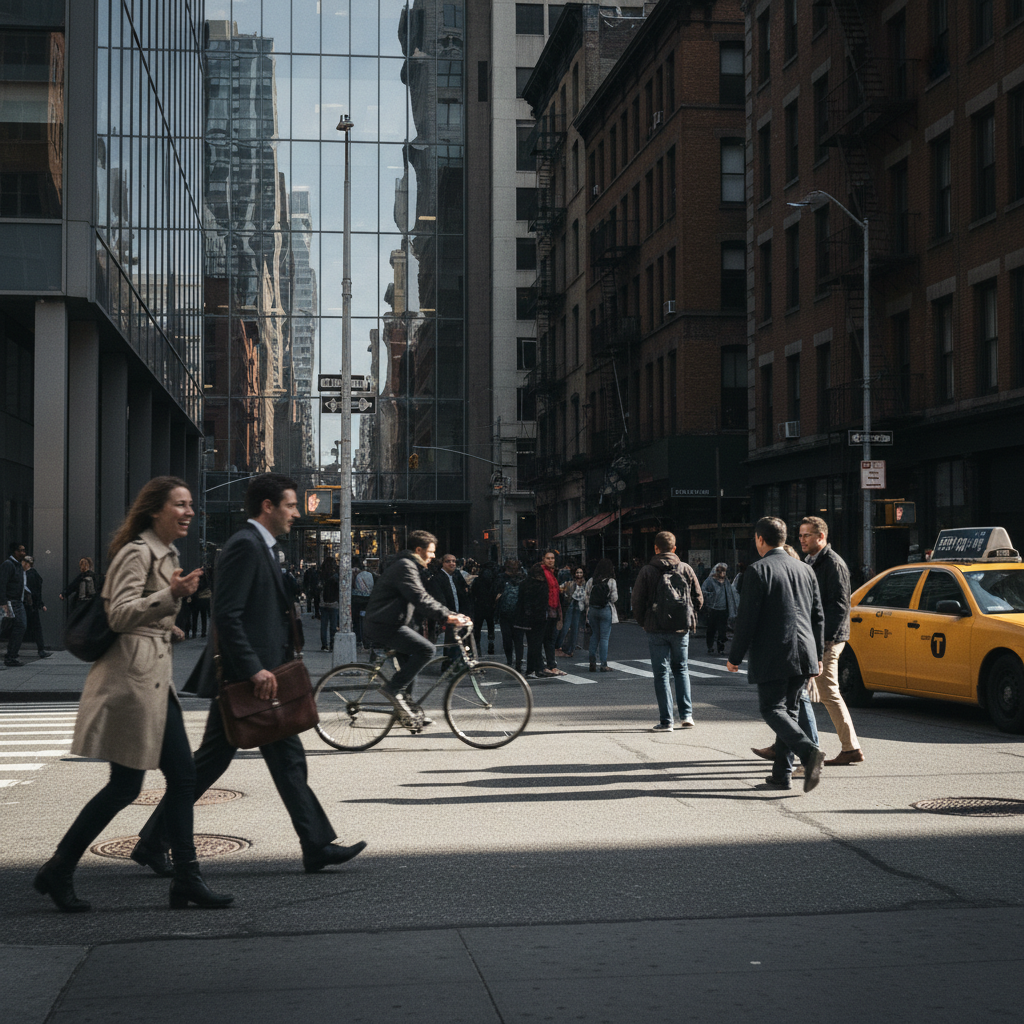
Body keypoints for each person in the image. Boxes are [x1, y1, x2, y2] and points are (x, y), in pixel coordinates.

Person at [132, 474, 366, 876]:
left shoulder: (261, 546)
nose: (296, 512)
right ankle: (153, 841)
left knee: (287, 761)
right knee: (209, 764)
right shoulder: (245, 546)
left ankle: (315, 844)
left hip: (266, 678)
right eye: (291, 505)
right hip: (248, 680)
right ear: (268, 507)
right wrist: (253, 667)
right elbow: (227, 615)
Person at [34, 476, 231, 912]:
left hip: (152, 683)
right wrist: (170, 595)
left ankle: (66, 867)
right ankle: (182, 877)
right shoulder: (135, 552)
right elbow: (119, 614)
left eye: (191, 505)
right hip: (133, 685)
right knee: (161, 782)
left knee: (146, 784)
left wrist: (170, 625)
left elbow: (143, 616)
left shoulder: (167, 553)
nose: (189, 512)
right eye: (180, 504)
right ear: (155, 510)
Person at [726, 516, 826, 794]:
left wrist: (735, 656)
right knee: (789, 713)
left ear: (760, 539)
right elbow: (818, 616)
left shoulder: (757, 571)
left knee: (771, 709)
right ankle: (781, 775)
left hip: (774, 652)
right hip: (804, 650)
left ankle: (809, 753)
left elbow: (747, 619)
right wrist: (817, 655)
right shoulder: (805, 569)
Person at [362, 531, 471, 722]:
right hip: (385, 625)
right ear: (418, 550)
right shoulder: (405, 566)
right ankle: (392, 689)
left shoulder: (410, 566)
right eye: (430, 551)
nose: (433, 556)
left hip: (393, 623)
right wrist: (448, 616)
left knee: (410, 669)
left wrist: (450, 615)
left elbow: (422, 598)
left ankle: (407, 712)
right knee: (427, 650)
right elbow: (420, 597)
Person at [799, 516, 862, 765]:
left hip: (827, 639)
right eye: (801, 534)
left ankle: (850, 747)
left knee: (827, 691)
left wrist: (825, 643)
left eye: (807, 535)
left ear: (820, 537)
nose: (802, 539)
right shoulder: (812, 562)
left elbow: (838, 607)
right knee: (796, 691)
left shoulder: (832, 564)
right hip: (814, 637)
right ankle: (785, 742)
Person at [631, 532, 703, 731]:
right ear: (674, 548)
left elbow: (636, 601)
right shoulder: (686, 568)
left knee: (661, 674)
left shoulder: (647, 571)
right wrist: (688, 616)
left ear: (655, 548)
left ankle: (666, 721)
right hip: (681, 629)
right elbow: (699, 598)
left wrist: (644, 622)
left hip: (656, 628)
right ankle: (687, 715)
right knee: (681, 669)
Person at [428, 553, 469, 663]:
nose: (452, 563)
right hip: (447, 615)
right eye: (448, 561)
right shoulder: (437, 578)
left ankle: (456, 664)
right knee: (449, 642)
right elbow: (439, 598)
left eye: (454, 561)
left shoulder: (456, 576)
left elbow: (464, 593)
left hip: (458, 614)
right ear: (443, 563)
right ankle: (449, 665)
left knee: (458, 640)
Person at [515, 562, 554, 678]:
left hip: (526, 618)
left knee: (531, 643)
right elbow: (544, 601)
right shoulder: (542, 584)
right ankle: (538, 668)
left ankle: (530, 668)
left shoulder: (524, 584)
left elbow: (521, 600)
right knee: (536, 644)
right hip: (539, 617)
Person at [585, 558, 618, 672]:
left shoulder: (591, 580)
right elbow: (614, 598)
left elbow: (586, 597)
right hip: (605, 609)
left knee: (594, 635)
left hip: (593, 610)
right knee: (604, 638)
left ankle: (592, 662)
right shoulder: (611, 581)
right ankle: (603, 664)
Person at [494, 558, 526, 670]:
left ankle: (509, 659)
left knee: (507, 638)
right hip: (519, 613)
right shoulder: (523, 578)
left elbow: (495, 593)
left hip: (505, 613)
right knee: (519, 639)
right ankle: (518, 662)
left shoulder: (501, 578)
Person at [701, 562, 738, 655]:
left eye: (724, 572)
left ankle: (720, 648)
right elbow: (703, 591)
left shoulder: (726, 582)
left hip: (724, 610)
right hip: (713, 609)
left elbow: (730, 594)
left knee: (722, 630)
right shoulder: (710, 581)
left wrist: (732, 608)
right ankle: (710, 646)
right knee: (711, 629)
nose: (723, 574)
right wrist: (711, 595)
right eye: (721, 572)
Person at [1, 541, 28, 667]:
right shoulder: (8, 564)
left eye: (24, 550)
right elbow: (2, 583)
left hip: (18, 601)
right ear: (15, 552)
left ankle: (11, 656)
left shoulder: (18, 565)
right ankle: (11, 656)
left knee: (19, 627)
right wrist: (3, 603)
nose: (24, 553)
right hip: (11, 602)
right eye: (21, 550)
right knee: (16, 627)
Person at [539, 550, 565, 675]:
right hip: (546, 610)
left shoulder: (552, 573)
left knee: (549, 639)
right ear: (543, 559)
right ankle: (544, 665)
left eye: (552, 558)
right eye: (548, 558)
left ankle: (551, 665)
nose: (551, 560)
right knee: (543, 638)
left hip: (553, 610)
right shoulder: (542, 573)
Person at [21, 555, 52, 658]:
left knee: (32, 626)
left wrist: (39, 603)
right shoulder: (26, 573)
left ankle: (41, 650)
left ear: (26, 563)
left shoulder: (31, 575)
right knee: (32, 627)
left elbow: (36, 592)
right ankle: (41, 650)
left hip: (29, 604)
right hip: (28, 604)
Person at [557, 567, 587, 658]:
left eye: (580, 572)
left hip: (579, 606)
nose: (579, 574)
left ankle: (571, 649)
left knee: (575, 628)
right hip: (571, 604)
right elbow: (559, 589)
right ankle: (558, 646)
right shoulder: (570, 583)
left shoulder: (585, 584)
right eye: (577, 572)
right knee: (566, 626)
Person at [470, 560, 498, 655]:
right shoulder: (493, 580)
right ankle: (491, 642)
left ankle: (477, 646)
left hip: (479, 606)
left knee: (477, 627)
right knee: (491, 625)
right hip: (490, 606)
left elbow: (473, 594)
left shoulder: (478, 580)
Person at [351, 558, 374, 648]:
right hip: (367, 600)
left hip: (357, 599)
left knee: (356, 620)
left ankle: (358, 638)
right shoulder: (370, 575)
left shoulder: (356, 574)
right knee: (366, 621)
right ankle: (366, 641)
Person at [320, 555, 340, 652]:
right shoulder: (336, 575)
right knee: (333, 625)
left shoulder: (321, 574)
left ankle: (324, 644)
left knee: (323, 625)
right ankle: (332, 644)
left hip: (323, 602)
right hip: (334, 603)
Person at [189, 564, 212, 638]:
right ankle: (203, 632)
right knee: (203, 616)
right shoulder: (207, 580)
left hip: (196, 600)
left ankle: (194, 633)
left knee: (195, 617)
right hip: (205, 600)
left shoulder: (196, 580)